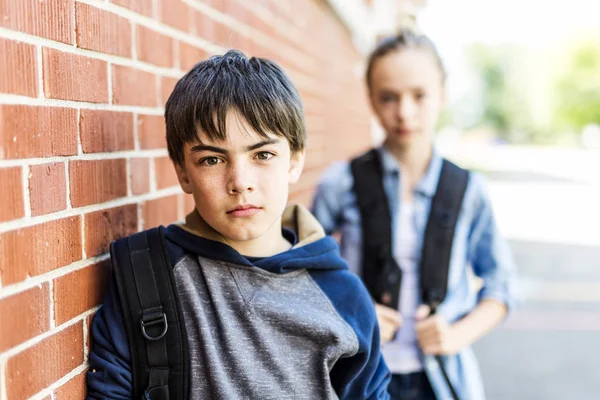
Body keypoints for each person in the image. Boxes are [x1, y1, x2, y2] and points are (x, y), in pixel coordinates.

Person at [86, 50, 391, 399]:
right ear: (183, 171)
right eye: (212, 160)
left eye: (262, 155)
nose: (239, 181)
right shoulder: (145, 275)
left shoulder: (343, 296)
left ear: (294, 160)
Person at [311, 30, 517, 400]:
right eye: (388, 97)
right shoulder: (342, 182)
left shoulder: (468, 190)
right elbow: (300, 270)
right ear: (371, 100)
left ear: (443, 94)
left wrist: (457, 334)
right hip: (362, 376)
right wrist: (354, 307)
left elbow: (500, 284)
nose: (404, 112)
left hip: (442, 382)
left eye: (419, 96)